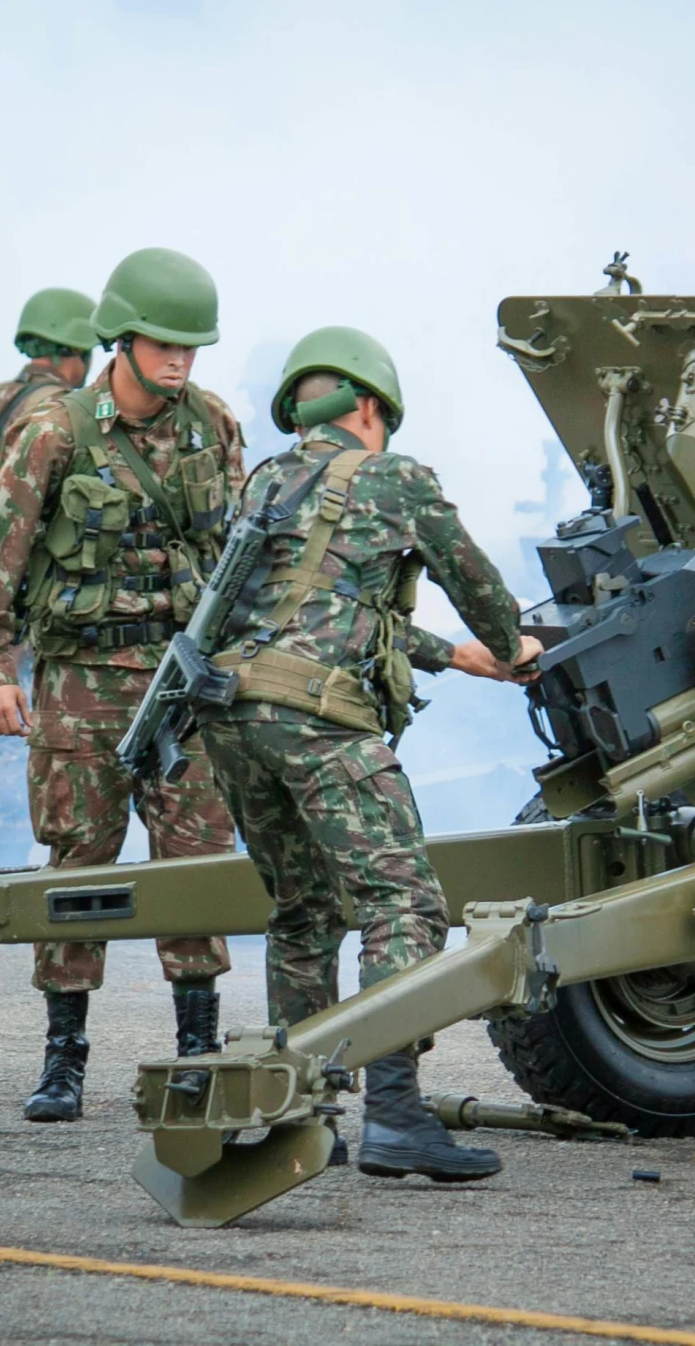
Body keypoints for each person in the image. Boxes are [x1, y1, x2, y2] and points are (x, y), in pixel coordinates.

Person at [198, 326, 541, 1182]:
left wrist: (451, 655)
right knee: (404, 902)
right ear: (368, 406)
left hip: (233, 716)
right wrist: (512, 645)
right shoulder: (397, 477)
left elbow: (309, 604)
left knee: (305, 911)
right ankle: (393, 1110)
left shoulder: (268, 481)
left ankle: (295, 1117)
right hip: (316, 717)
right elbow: (477, 583)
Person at [0, 248, 243, 1124]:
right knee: (78, 865)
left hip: (184, 681)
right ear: (122, 336)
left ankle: (198, 1054)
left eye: (192, 345)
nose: (180, 360)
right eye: (163, 342)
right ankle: (64, 1057)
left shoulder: (214, 426)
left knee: (194, 866)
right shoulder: (55, 431)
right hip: (82, 681)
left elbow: (239, 553)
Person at [0, 288, 100, 878]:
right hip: (40, 592)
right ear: (74, 352)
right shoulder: (70, 411)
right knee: (31, 718)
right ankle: (9, 851)